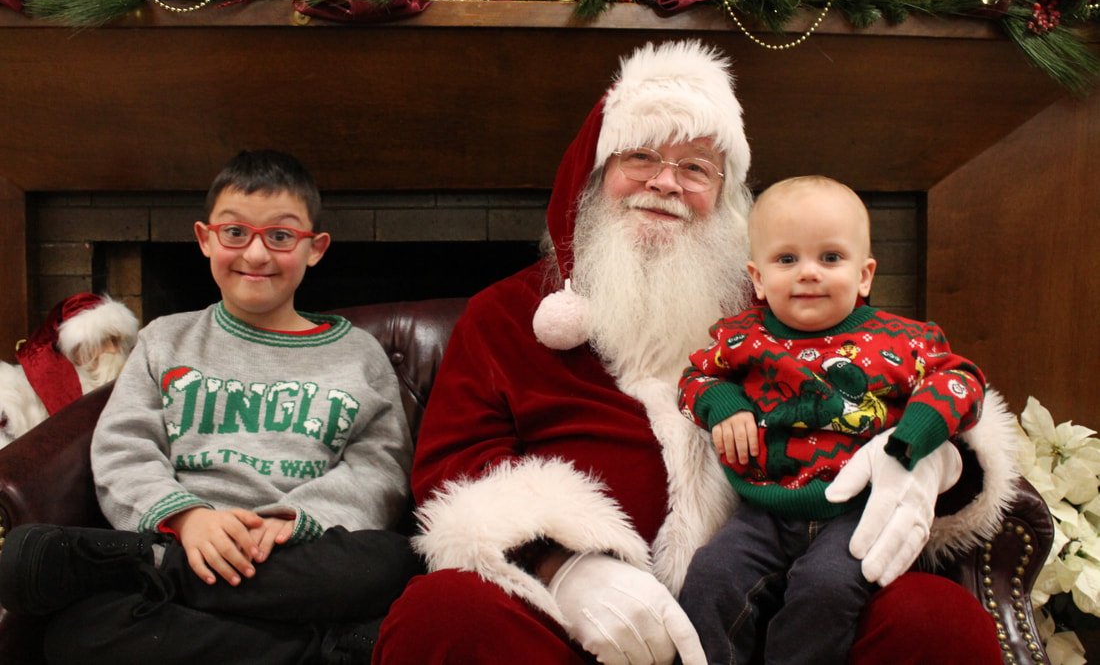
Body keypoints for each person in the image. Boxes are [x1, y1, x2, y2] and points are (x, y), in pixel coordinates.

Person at [373, 39, 1018, 665]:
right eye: (641, 157)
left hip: (780, 612)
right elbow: (455, 471)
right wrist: (564, 567)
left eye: (695, 168)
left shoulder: (785, 303)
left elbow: (920, 374)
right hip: (567, 627)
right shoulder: (506, 316)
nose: (666, 184)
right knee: (442, 612)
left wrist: (938, 458)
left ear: (726, 196)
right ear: (594, 175)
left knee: (939, 621)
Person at [0, 150, 421, 664]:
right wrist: (188, 519)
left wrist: (294, 519)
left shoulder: (357, 355)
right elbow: (123, 447)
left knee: (392, 560)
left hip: (300, 550)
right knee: (75, 633)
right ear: (205, 238)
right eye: (235, 233)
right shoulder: (165, 340)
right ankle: (317, 652)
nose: (257, 254)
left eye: (282, 236)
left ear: (315, 248)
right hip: (187, 532)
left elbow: (380, 466)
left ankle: (150, 570)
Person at [676, 175, 985, 664]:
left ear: (865, 275)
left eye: (831, 258)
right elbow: (694, 378)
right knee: (711, 577)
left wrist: (913, 436)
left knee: (824, 590)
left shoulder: (902, 339)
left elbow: (960, 380)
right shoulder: (742, 338)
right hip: (766, 508)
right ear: (757, 278)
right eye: (786, 259)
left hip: (856, 509)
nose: (808, 273)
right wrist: (724, 403)